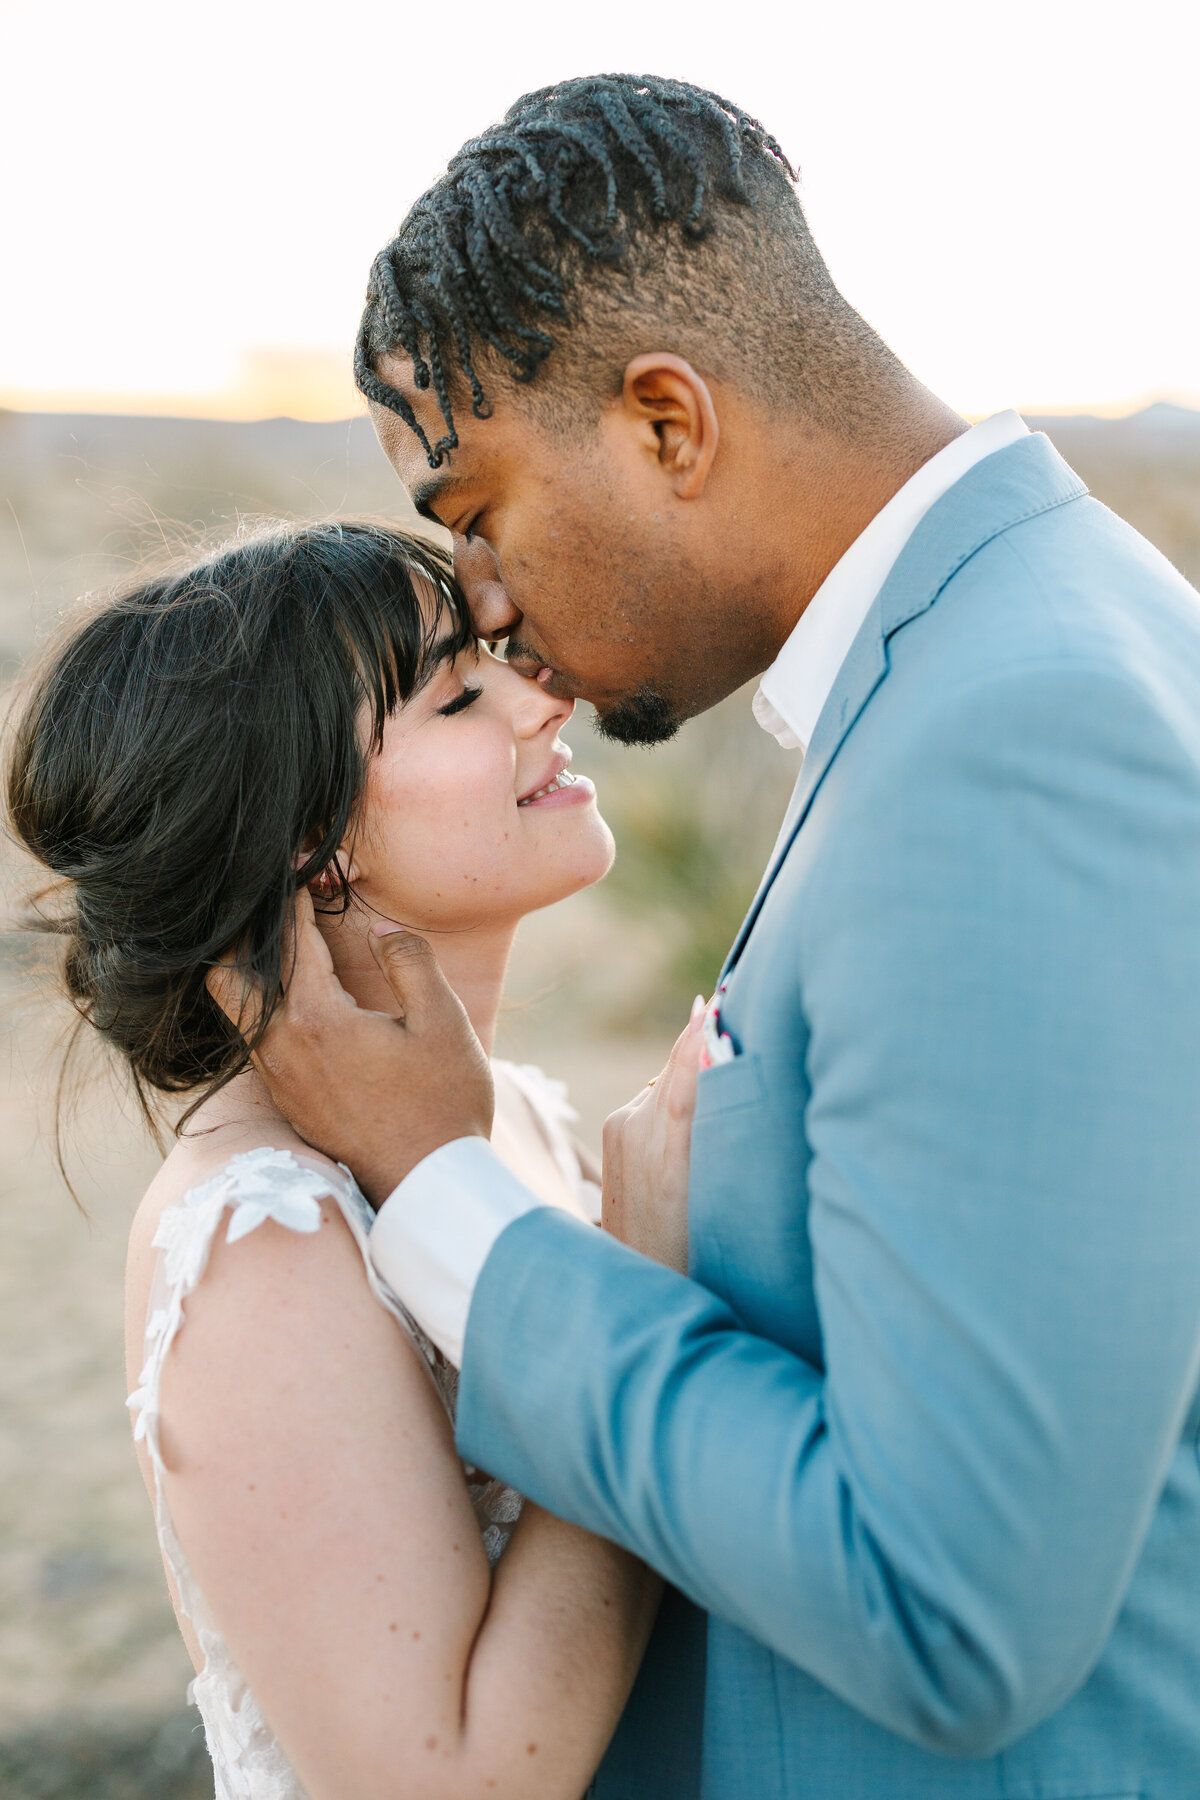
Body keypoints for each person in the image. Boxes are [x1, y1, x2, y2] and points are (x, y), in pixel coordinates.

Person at [222, 73, 1200, 1798]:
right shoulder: (1019, 642)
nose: (491, 606)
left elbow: (952, 1607)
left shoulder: (1011, 732)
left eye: (476, 513)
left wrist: (453, 1203)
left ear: (668, 424)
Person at [5, 519, 674, 1800]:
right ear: (312, 841)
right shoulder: (265, 1238)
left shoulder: (518, 1120)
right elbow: (456, 1781)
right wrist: (641, 1298)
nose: (549, 693)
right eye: (462, 694)